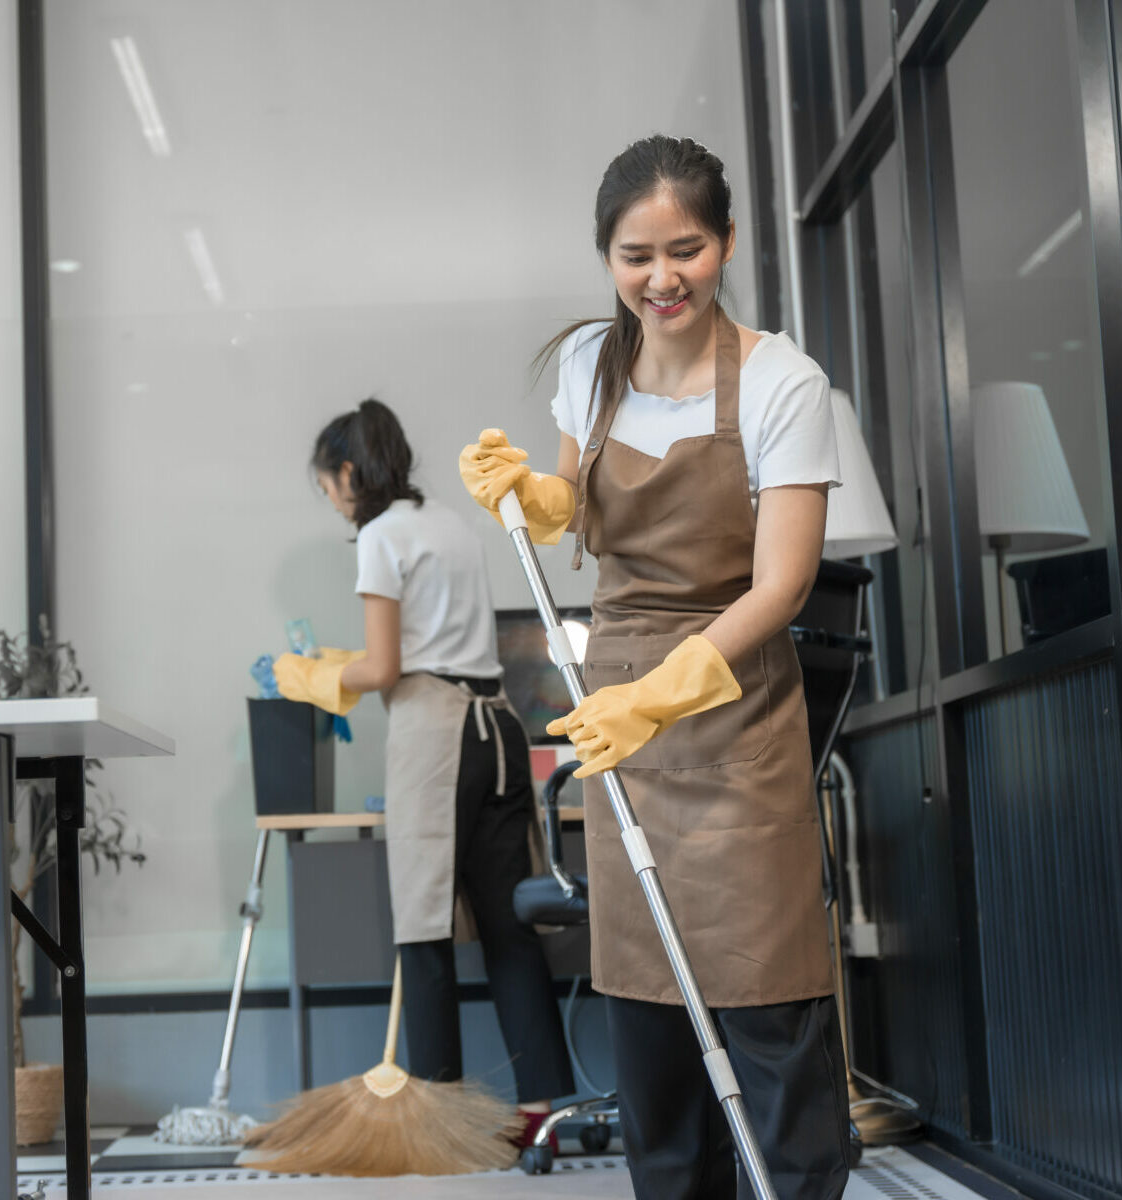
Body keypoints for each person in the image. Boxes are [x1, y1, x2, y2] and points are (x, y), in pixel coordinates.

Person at [458, 135, 850, 1199]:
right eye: (637, 256)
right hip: (616, 715)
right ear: (607, 259)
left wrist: (664, 694)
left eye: (687, 249)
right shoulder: (593, 364)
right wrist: (530, 499)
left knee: (768, 1006)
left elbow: (780, 585)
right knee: (652, 1021)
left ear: (727, 243)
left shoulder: (782, 381)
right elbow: (580, 505)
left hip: (729, 709)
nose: (662, 277)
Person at [274, 398, 574, 1147]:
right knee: (509, 927)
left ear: (348, 472)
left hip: (435, 733)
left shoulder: (380, 536)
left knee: (424, 927)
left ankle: (440, 1121)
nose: (335, 503)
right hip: (498, 729)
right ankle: (546, 1111)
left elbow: (384, 667)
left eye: (329, 488)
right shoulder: (452, 522)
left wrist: (310, 675)